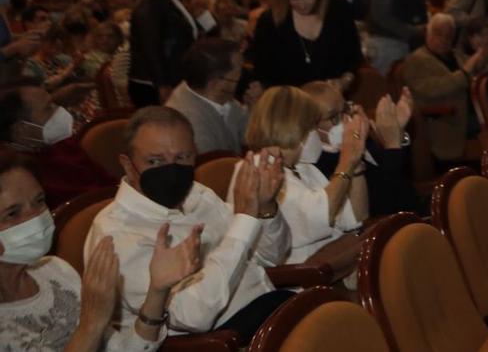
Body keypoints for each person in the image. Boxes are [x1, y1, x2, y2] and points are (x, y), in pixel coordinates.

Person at [86, 107, 292, 340]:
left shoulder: (197, 194)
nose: (171, 169)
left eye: (182, 157)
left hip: (269, 305)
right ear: (127, 164)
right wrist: (244, 221)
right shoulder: (116, 234)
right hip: (221, 338)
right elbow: (191, 317)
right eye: (155, 160)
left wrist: (264, 208)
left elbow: (271, 256)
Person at [0, 151, 202, 352]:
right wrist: (91, 323)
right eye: (12, 213)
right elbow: (92, 327)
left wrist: (157, 290)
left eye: (39, 201)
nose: (35, 217)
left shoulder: (55, 270)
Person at [235, 87, 367, 279]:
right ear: (292, 127)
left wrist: (356, 165)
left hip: (338, 266)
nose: (315, 134)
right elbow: (323, 216)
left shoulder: (303, 167)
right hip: (302, 280)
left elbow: (356, 218)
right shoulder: (257, 169)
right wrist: (346, 161)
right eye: (311, 127)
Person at [301, 81, 423, 217]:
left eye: (346, 109)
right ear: (309, 126)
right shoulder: (318, 166)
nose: (346, 120)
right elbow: (382, 208)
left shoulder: (360, 140)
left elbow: (404, 188)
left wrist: (398, 134)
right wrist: (392, 145)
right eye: (334, 117)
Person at [245, 0, 362, 89]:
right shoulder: (270, 22)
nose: (301, 4)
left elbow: (353, 59)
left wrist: (344, 81)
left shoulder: (338, 10)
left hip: (331, 103)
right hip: (288, 105)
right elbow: (262, 73)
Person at [0, 78, 115, 207]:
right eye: (49, 108)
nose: (59, 111)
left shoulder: (62, 143)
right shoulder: (18, 175)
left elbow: (108, 182)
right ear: (21, 130)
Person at [401, 13, 487, 166]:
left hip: (470, 113)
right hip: (446, 120)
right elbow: (434, 89)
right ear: (428, 33)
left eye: (448, 36)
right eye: (439, 34)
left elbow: (475, 69)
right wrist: (464, 73)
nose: (444, 39)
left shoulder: (455, 55)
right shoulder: (417, 60)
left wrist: (481, 57)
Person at [128, 0, 199, 107]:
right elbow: (150, 46)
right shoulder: (150, 1)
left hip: (172, 77)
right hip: (152, 83)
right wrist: (162, 84)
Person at [164, 38, 258, 155]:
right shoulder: (188, 124)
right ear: (215, 83)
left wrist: (254, 110)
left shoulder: (222, 98)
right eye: (239, 73)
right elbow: (216, 167)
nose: (243, 77)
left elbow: (250, 137)